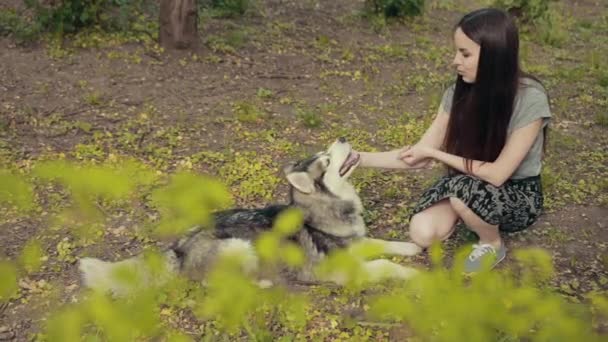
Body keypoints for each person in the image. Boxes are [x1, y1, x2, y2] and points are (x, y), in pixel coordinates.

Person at [357, 8, 552, 273]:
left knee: (462, 194)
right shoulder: (457, 93)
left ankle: (491, 242)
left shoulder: (530, 98)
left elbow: (497, 174)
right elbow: (417, 154)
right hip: (468, 183)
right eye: (456, 52)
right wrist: (358, 158)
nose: (455, 61)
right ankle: (471, 215)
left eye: (465, 53)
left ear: (494, 54)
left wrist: (437, 155)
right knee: (422, 233)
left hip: (517, 193)